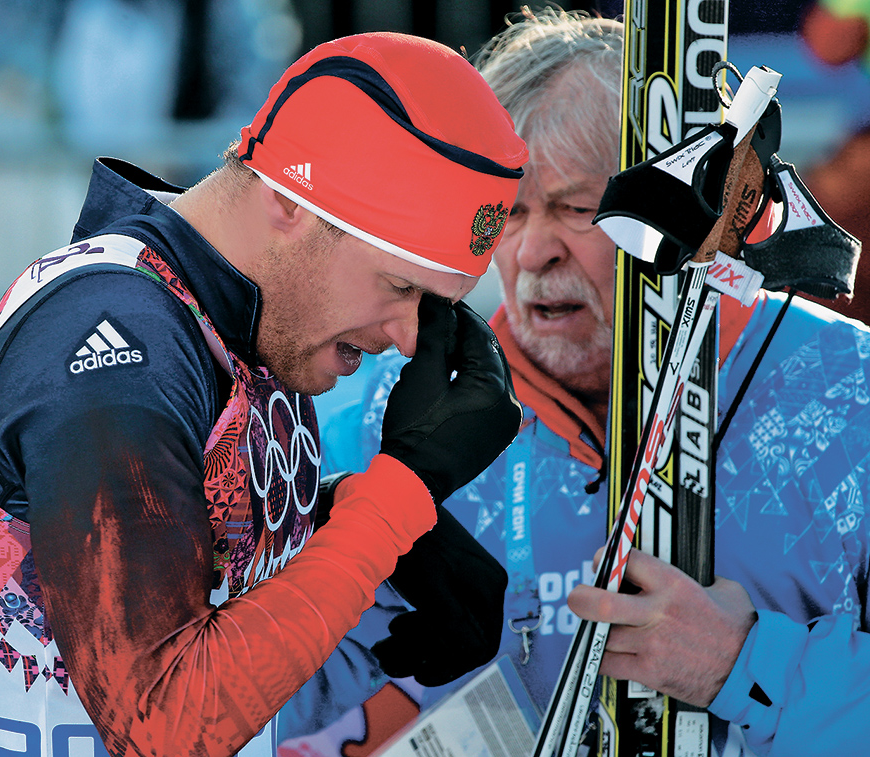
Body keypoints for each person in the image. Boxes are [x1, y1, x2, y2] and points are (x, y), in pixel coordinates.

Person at [0, 32, 530, 757]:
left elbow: (243, 694)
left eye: (430, 305)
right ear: (290, 203)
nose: (405, 337)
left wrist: (360, 556)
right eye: (400, 287)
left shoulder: (243, 324)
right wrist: (394, 501)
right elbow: (164, 725)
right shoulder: (117, 343)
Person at [277, 9, 870, 757]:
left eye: (578, 209)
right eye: (504, 216)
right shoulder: (362, 422)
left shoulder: (850, 397)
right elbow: (223, 706)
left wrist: (747, 664)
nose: (531, 252)